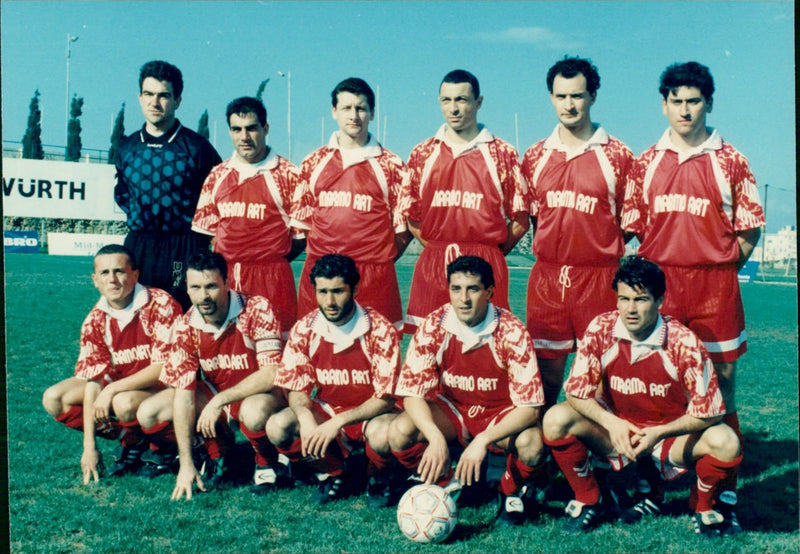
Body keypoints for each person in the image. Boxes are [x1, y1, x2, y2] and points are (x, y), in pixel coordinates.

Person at [620, 61, 764, 525]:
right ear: (664, 105)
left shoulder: (731, 160)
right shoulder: (645, 162)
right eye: (676, 101)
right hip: (663, 288)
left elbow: (748, 230)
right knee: (657, 385)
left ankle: (723, 494)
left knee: (722, 388)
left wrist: (718, 269)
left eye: (694, 101)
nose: (685, 110)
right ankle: (654, 483)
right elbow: (634, 229)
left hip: (714, 287)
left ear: (709, 103)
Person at [542, 256, 741, 536]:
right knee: (555, 419)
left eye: (641, 299)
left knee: (726, 441)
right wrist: (612, 423)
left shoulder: (683, 342)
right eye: (623, 299)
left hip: (667, 437)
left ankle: (702, 507)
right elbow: (575, 392)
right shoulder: (601, 328)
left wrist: (660, 432)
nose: (630, 309)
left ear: (660, 300)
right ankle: (590, 499)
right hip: (617, 432)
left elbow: (712, 411)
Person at [388, 256, 546, 526]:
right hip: (454, 410)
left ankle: (509, 491)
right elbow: (412, 393)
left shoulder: (512, 332)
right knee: (399, 430)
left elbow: (530, 409)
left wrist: (483, 439)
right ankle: (448, 483)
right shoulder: (434, 325)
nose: (463, 299)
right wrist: (435, 438)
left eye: (473, 289)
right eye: (456, 289)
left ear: (489, 292)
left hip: (499, 414)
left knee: (531, 444)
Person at [521, 57, 634, 410]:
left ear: (593, 96)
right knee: (545, 371)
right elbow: (535, 218)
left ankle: (602, 455)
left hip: (600, 277)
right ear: (551, 98)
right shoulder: (536, 155)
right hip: (548, 278)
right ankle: (537, 453)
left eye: (577, 96)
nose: (569, 105)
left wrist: (596, 246)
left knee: (602, 372)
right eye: (561, 96)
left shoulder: (619, 155)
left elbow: (630, 222)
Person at [144, 251, 287, 500]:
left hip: (260, 394)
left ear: (227, 283)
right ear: (187, 289)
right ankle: (218, 454)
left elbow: (271, 373)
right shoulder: (184, 326)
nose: (204, 296)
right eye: (196, 287)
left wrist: (220, 401)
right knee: (152, 412)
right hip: (216, 394)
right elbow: (183, 393)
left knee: (253, 412)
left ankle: (267, 462)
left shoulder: (257, 309)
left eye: (211, 286)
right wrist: (186, 462)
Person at [399, 69, 530, 334]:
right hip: (435, 261)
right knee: (428, 349)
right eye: (446, 100)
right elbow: (410, 214)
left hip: (486, 261)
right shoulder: (423, 153)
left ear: (478, 102)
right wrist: (437, 246)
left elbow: (521, 219)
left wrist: (489, 251)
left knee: (487, 349)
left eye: (461, 100)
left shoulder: (502, 153)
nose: (454, 108)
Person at [267, 254, 403, 507]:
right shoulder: (304, 328)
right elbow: (296, 388)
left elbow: (385, 398)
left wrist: (339, 422)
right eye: (323, 292)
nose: (329, 301)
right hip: (330, 408)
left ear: (355, 288)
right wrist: (307, 419)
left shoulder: (380, 330)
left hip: (372, 413)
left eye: (338, 291)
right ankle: (336, 473)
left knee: (383, 434)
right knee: (278, 426)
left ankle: (379, 476)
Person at [41, 244, 181, 483]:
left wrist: (114, 389)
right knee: (54, 398)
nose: (113, 280)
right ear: (95, 280)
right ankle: (133, 441)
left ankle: (166, 448)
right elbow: (93, 381)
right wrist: (89, 447)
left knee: (122, 401)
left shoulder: (160, 303)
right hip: (126, 386)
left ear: (135, 275)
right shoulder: (95, 320)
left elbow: (164, 367)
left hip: (164, 387)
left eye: (119, 271)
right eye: (104, 273)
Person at [292, 78, 411, 328]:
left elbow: (403, 230)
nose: (354, 115)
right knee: (316, 353)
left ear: (372, 113)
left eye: (361, 108)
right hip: (321, 276)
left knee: (375, 356)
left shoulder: (392, 166)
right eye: (346, 108)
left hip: (373, 277)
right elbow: (302, 226)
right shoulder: (313, 163)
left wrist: (378, 259)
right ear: (334, 111)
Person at [114, 60, 222, 310]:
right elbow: (122, 194)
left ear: (177, 101)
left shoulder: (196, 147)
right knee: (137, 315)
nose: (155, 102)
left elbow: (217, 195)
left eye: (164, 96)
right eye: (149, 94)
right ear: (140, 97)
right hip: (139, 244)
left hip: (183, 246)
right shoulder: (127, 147)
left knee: (179, 316)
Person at [192, 96, 303, 335]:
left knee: (274, 348)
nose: (244, 137)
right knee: (230, 350)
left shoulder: (289, 174)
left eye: (251, 128)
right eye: (237, 129)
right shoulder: (217, 175)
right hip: (226, 277)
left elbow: (300, 237)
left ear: (265, 128)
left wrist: (270, 259)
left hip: (272, 277)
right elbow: (204, 234)